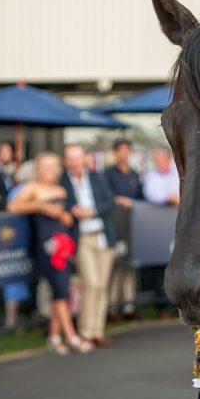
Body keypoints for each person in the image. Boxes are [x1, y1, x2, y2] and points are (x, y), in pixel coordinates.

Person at [7, 152, 91, 354]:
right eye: (45, 166)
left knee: (61, 291)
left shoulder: (61, 189)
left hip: (64, 244)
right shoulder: (32, 187)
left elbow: (69, 219)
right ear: (38, 169)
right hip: (46, 247)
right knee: (60, 291)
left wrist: (62, 214)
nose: (49, 170)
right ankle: (71, 336)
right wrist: (41, 206)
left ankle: (54, 337)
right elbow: (13, 206)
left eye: (52, 166)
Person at [60, 144, 115, 348]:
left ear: (84, 158)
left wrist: (92, 210)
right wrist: (73, 209)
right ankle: (85, 330)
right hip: (82, 238)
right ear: (66, 161)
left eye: (77, 157)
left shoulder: (95, 176)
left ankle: (97, 330)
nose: (75, 162)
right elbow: (61, 203)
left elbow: (110, 202)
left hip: (102, 236)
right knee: (91, 283)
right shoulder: (63, 181)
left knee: (102, 286)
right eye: (70, 158)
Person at [104, 139, 142, 320]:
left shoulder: (134, 174)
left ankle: (128, 305)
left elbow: (140, 197)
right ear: (115, 153)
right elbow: (106, 196)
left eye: (127, 150)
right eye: (121, 150)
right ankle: (111, 306)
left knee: (130, 265)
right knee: (115, 265)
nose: (124, 154)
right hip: (115, 225)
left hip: (132, 226)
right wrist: (118, 200)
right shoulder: (108, 173)